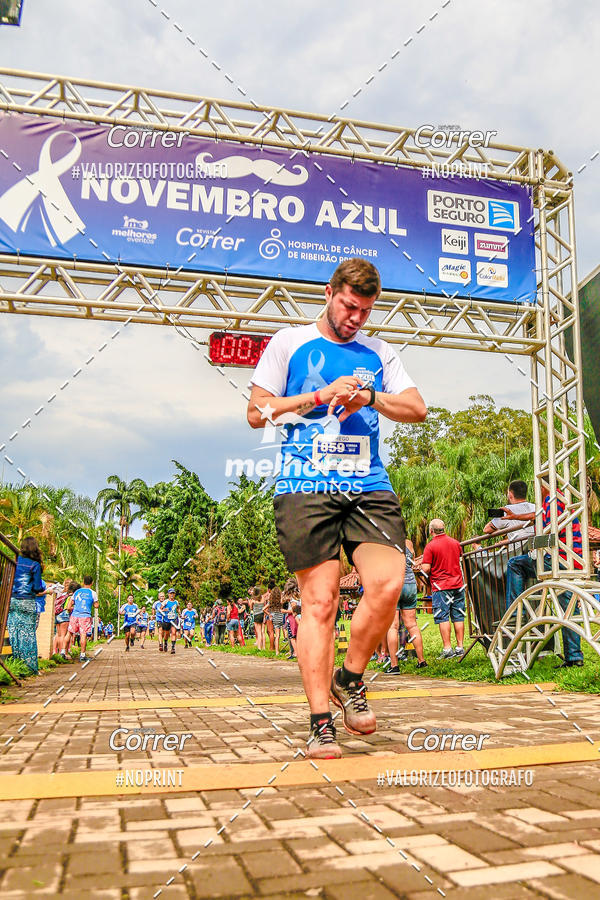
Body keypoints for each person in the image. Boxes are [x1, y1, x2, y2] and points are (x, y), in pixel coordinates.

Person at [247, 258, 426, 759]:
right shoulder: (288, 342)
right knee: (320, 602)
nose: (356, 318)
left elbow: (416, 409)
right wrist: (316, 396)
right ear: (329, 293)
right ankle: (320, 719)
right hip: (305, 484)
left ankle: (349, 677)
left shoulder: (380, 351)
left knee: (389, 584)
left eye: (365, 311)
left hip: (367, 483)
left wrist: (369, 396)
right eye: (349, 306)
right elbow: (255, 412)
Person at [504, 483, 584, 667]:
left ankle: (515, 611)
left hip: (558, 559)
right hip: (572, 559)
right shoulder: (562, 498)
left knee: (515, 564)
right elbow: (539, 518)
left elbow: (550, 532)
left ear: (542, 484)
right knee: (568, 608)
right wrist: (516, 516)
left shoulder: (552, 500)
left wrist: (534, 545)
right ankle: (574, 656)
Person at [415, 520, 465, 660]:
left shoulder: (431, 546)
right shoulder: (456, 543)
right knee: (458, 615)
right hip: (458, 585)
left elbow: (426, 568)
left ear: (431, 531)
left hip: (441, 587)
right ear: (444, 528)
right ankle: (460, 647)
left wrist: (421, 568)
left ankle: (447, 648)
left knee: (443, 617)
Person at [386, 537, 426, 673]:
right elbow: (412, 560)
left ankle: (394, 665)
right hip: (410, 584)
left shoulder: (384, 541)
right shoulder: (408, 542)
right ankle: (421, 661)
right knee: (412, 624)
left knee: (393, 626)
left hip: (394, 585)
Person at [7, 536, 46, 674]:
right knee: (28, 636)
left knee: (14, 633)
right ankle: (29, 668)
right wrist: (44, 589)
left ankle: (15, 664)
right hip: (27, 602)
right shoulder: (34, 565)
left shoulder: (14, 562)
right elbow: (37, 587)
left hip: (11, 602)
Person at [68, 575, 99, 663]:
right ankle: (82, 655)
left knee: (69, 633)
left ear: (83, 582)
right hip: (85, 615)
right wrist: (93, 603)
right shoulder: (93, 593)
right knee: (83, 634)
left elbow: (71, 603)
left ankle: (63, 651)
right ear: (92, 583)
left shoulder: (77, 591)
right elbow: (96, 605)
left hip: (75, 615)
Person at [53, 578, 72, 657]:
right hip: (64, 615)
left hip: (57, 614)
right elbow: (68, 607)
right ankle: (62, 653)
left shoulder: (60, 593)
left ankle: (55, 651)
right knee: (63, 635)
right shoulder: (70, 595)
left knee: (58, 634)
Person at [160, 588, 179, 653]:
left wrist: (180, 613)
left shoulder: (176, 602)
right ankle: (165, 643)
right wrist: (164, 610)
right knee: (167, 634)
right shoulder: (165, 601)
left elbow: (178, 608)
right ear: (168, 594)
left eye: (173, 593)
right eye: (171, 593)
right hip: (167, 619)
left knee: (173, 632)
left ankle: (173, 648)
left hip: (174, 619)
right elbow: (160, 610)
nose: (172, 595)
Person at [268, 586, 286, 654]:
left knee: (277, 635)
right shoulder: (281, 600)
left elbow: (263, 609)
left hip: (275, 618)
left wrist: (269, 614)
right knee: (287, 632)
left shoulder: (271, 601)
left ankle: (277, 651)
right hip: (281, 616)